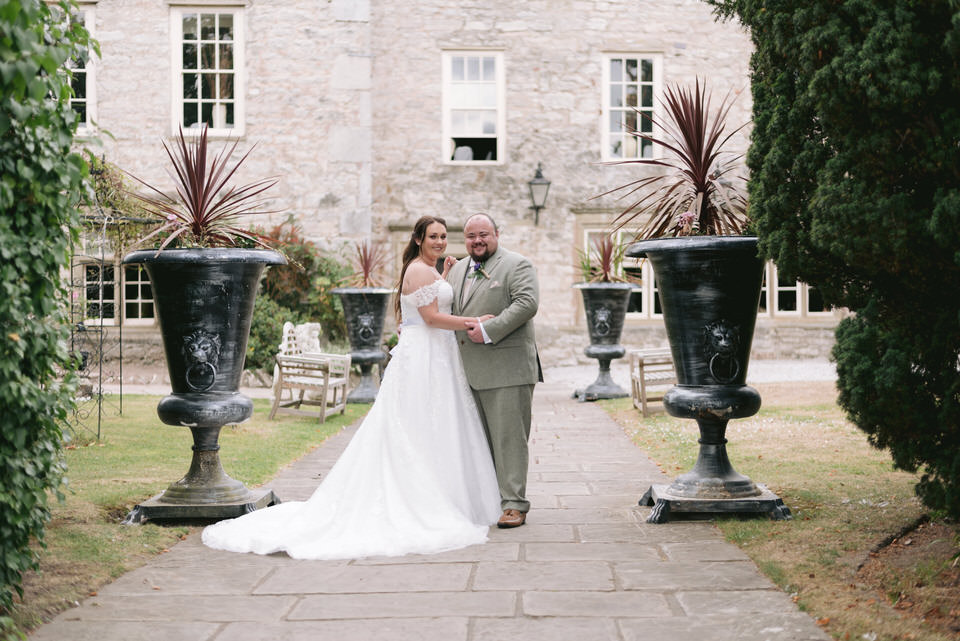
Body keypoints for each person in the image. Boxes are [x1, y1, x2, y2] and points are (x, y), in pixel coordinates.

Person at [201, 216, 501, 559]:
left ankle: (445, 495)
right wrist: (474, 321)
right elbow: (431, 318)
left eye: (444, 236)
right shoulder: (419, 269)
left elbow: (418, 312)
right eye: (433, 236)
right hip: (425, 359)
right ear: (418, 239)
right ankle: (423, 499)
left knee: (434, 426)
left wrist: (444, 275)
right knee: (421, 424)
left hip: (435, 354)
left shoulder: (428, 270)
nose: (439, 241)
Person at [448, 213, 541, 528]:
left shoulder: (517, 264)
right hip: (466, 371)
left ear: (497, 234)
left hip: (507, 368)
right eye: (471, 235)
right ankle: (490, 502)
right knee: (478, 442)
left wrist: (489, 329)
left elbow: (527, 303)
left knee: (509, 440)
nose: (477, 240)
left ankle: (515, 504)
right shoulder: (457, 269)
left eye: (483, 234)